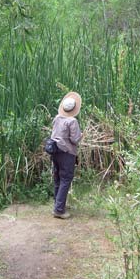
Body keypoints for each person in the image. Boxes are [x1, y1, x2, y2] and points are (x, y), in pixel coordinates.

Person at [50, 91, 83, 219]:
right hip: (67, 153)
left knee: (58, 178)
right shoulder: (72, 121)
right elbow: (74, 140)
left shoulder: (57, 118)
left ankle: (58, 204)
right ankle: (59, 210)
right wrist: (81, 136)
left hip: (55, 151)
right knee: (65, 179)